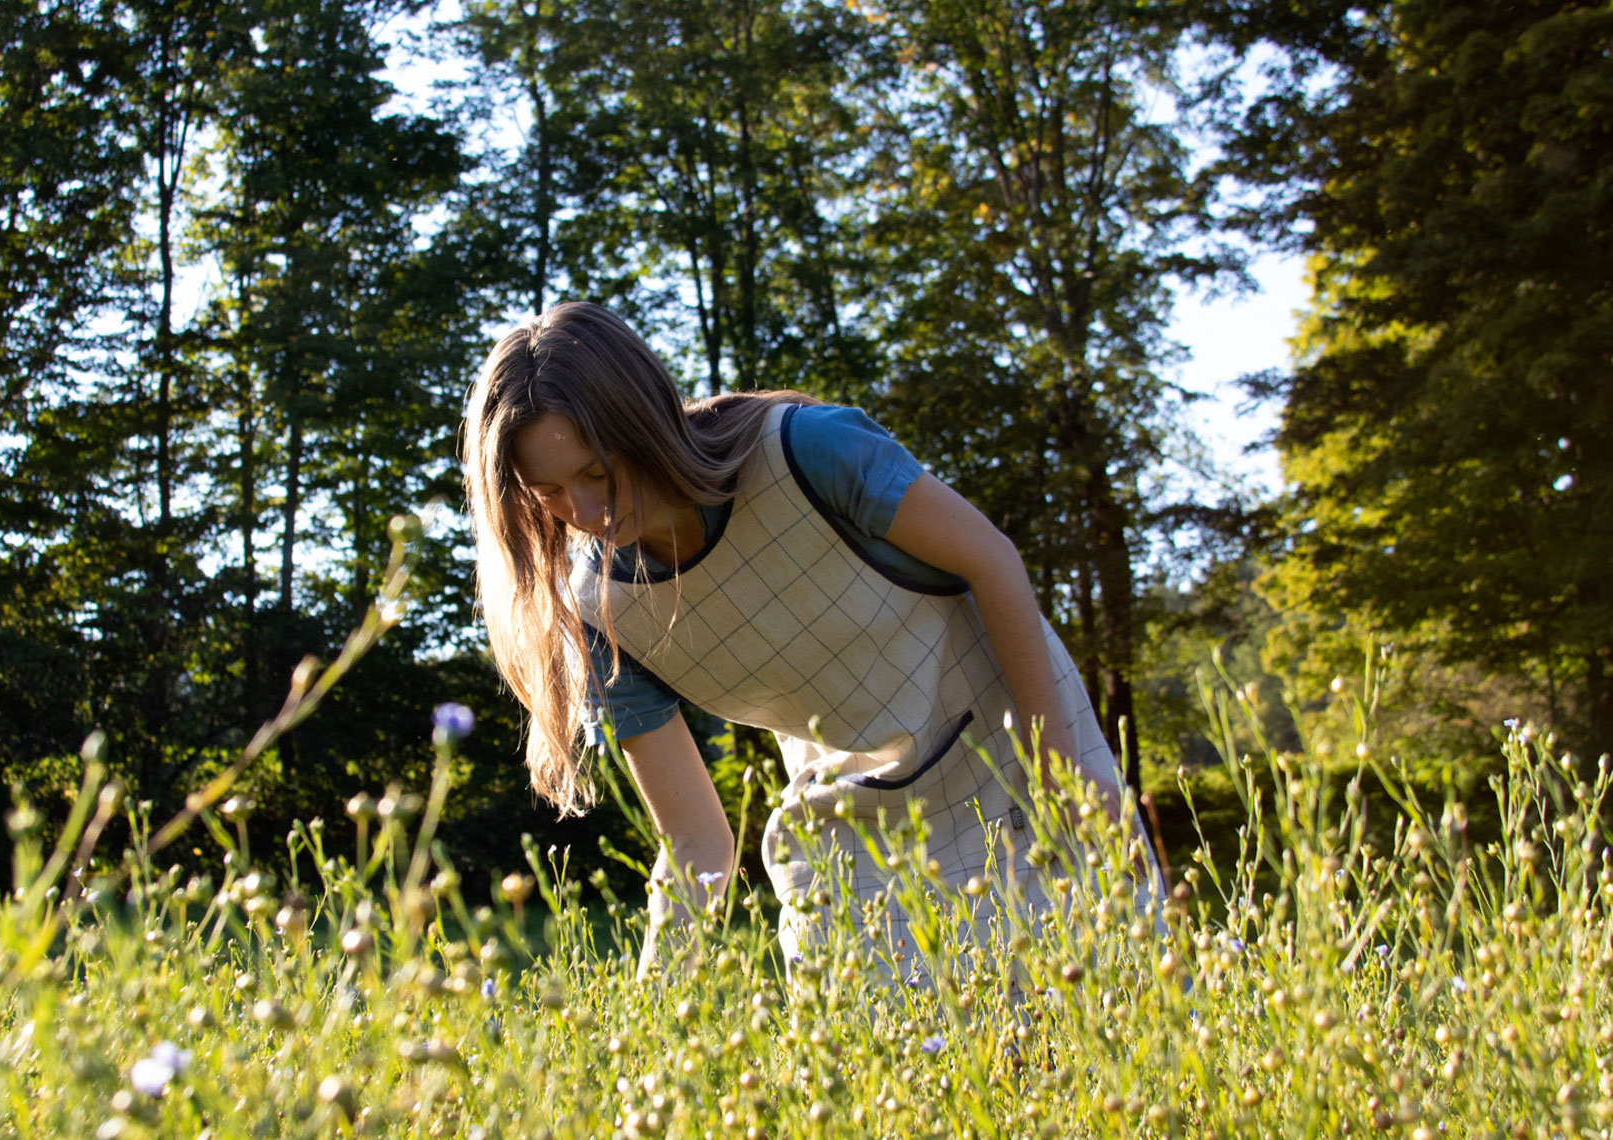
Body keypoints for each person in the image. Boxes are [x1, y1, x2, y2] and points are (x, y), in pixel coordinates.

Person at [463, 301, 1155, 980]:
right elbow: (697, 843)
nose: (585, 513)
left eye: (597, 471)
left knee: (1106, 1032)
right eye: (547, 491)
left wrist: (1063, 776)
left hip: (1018, 749)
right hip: (851, 814)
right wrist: (651, 1021)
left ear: (646, 422)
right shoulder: (594, 609)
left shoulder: (808, 451)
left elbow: (993, 561)